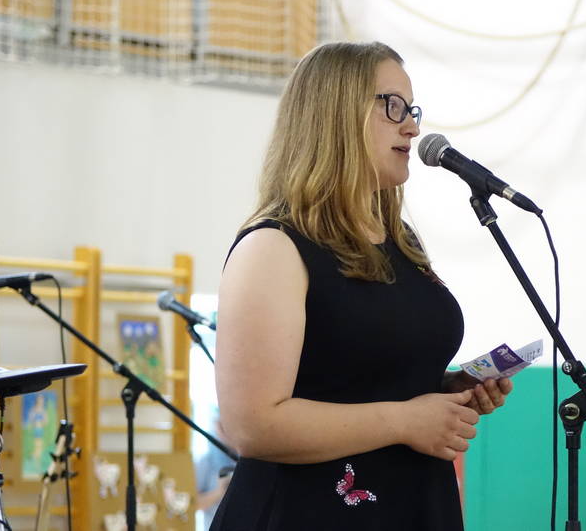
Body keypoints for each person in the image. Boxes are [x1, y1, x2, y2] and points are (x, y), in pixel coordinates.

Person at [212, 41, 514, 531]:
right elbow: (254, 426)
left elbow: (359, 379)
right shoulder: (273, 247)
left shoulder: (400, 241)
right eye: (393, 106)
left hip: (413, 504)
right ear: (334, 113)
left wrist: (447, 389)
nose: (412, 127)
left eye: (411, 109)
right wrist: (405, 420)